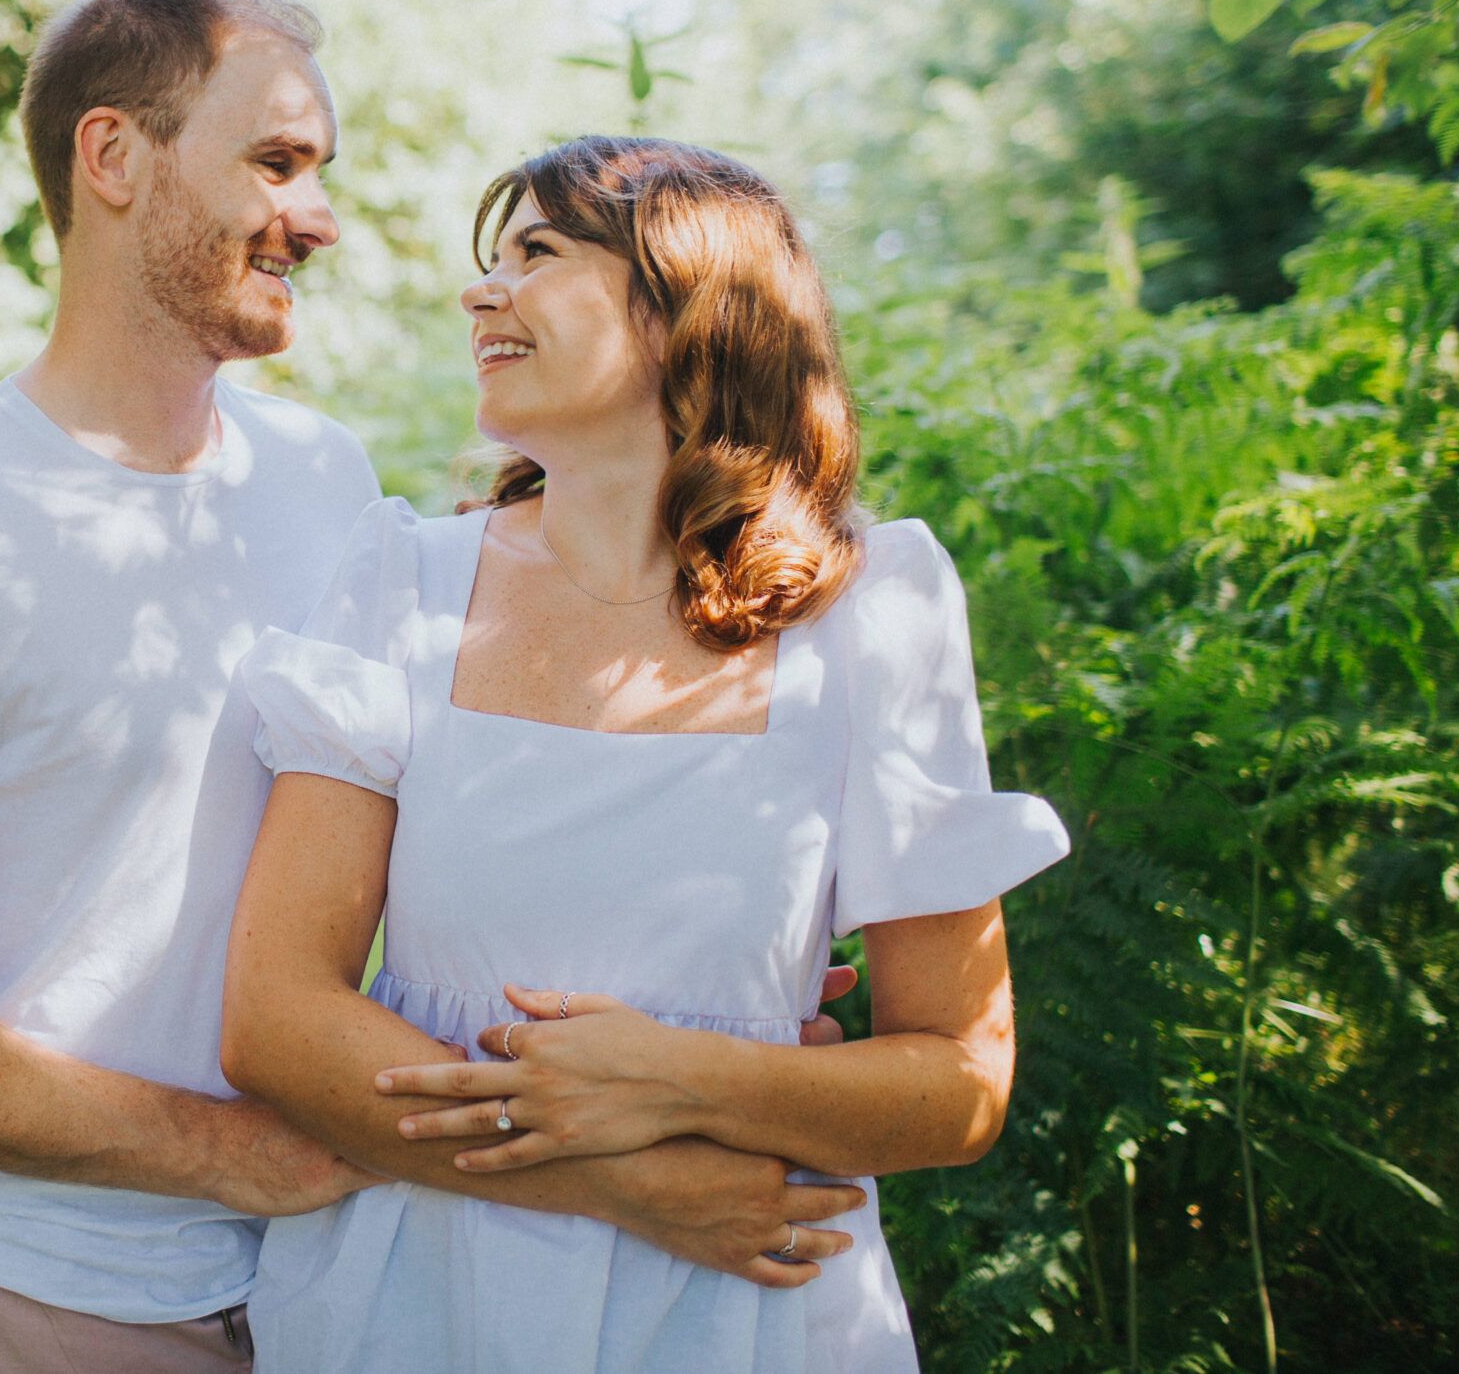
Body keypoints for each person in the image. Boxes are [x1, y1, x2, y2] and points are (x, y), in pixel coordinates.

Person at [0, 0, 868, 1374]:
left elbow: (422, 817)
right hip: (50, 1296)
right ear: (113, 156)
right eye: (277, 162)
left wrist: (694, 972)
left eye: (319, 170)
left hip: (356, 1277)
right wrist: (225, 1148)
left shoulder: (328, 482)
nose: (320, 217)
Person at [221, 136, 1072, 1373]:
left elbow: (958, 1082)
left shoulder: (873, 606)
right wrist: (632, 1176)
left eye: (540, 254)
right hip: (424, 1291)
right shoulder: (401, 582)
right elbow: (276, 1021)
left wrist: (680, 1075)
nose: (481, 291)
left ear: (691, 310)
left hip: (747, 1305)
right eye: (490, 260)